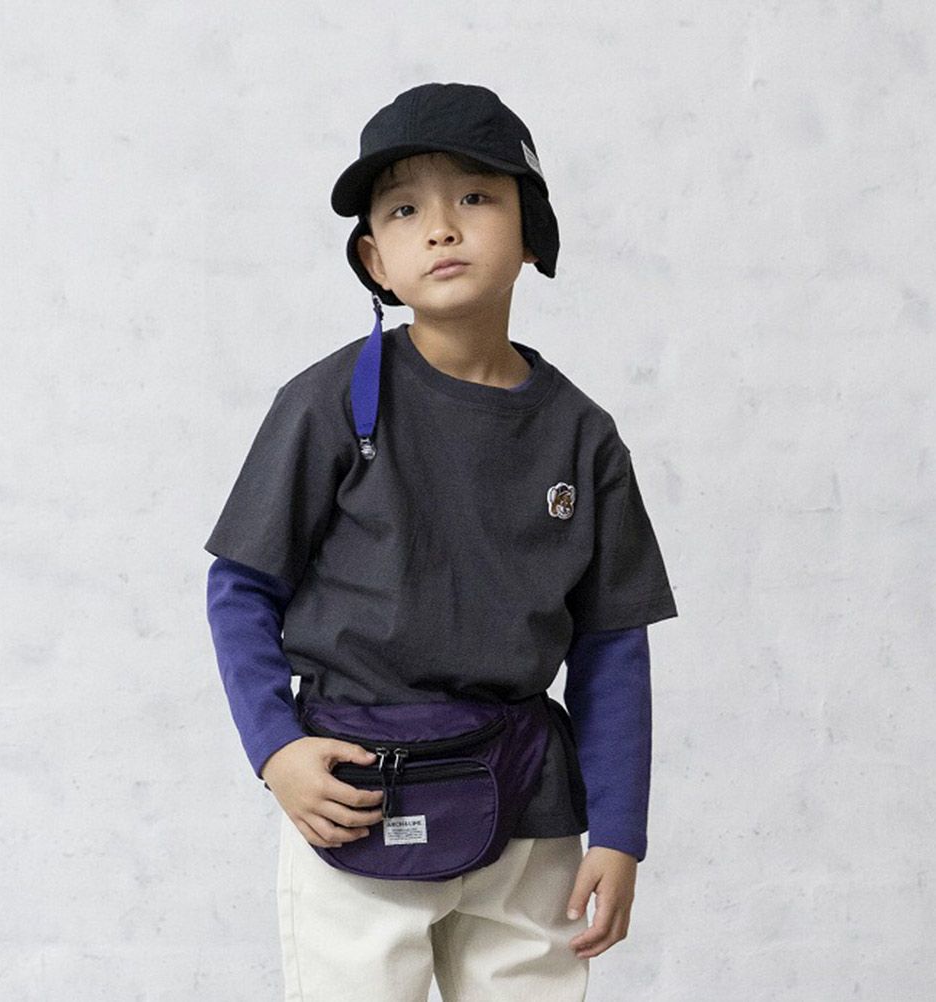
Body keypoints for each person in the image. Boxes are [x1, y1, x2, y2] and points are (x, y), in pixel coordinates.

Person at [204, 81, 678, 1002]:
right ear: (374, 260)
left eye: (475, 196)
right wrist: (276, 750)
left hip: (530, 810)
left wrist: (620, 831)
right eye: (405, 210)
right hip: (356, 800)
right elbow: (242, 589)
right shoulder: (329, 405)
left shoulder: (583, 438)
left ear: (532, 230)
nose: (443, 229)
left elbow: (612, 645)